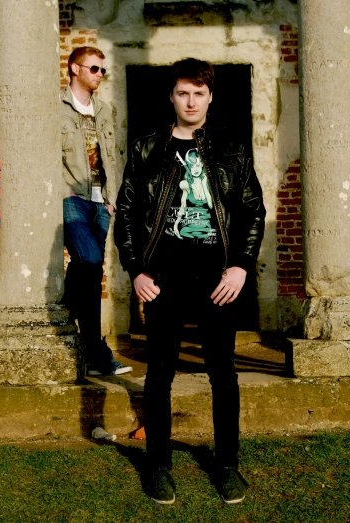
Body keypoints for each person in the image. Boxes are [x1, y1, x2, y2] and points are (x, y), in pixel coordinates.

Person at [115, 58, 265, 505]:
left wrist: (240, 265)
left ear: (210, 97)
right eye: (183, 93)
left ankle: (228, 464)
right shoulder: (146, 149)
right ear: (172, 97)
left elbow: (252, 211)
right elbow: (125, 214)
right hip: (162, 276)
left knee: (223, 372)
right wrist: (136, 270)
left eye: (199, 93)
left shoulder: (231, 148)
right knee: (159, 373)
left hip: (218, 276)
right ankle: (158, 464)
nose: (191, 101)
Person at [60, 46, 131, 376]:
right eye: (94, 69)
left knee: (90, 276)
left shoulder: (103, 110)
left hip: (102, 200)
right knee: (87, 260)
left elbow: (112, 157)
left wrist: (112, 197)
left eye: (103, 70)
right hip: (71, 195)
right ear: (74, 69)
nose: (100, 75)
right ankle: (64, 310)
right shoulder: (55, 107)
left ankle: (96, 355)